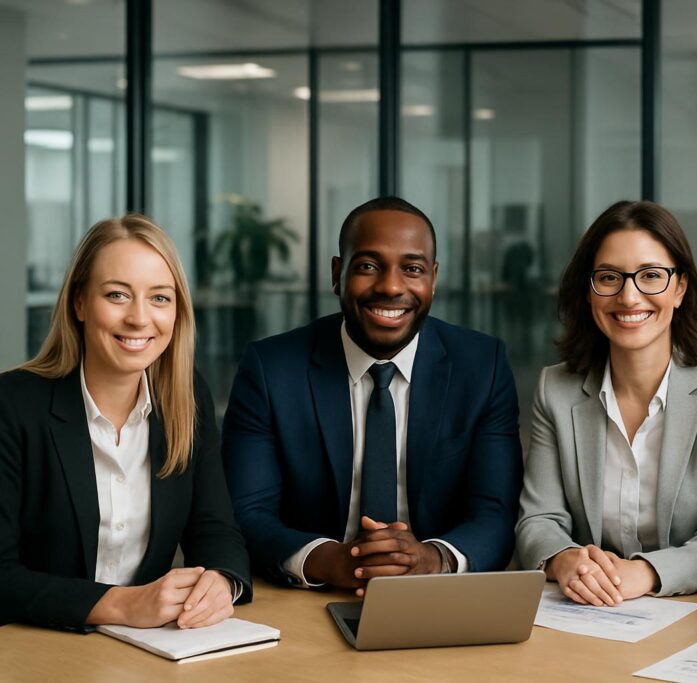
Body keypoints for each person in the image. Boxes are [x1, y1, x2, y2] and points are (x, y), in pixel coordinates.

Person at [222, 197, 522, 592]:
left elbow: (496, 513)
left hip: (438, 596)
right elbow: (246, 512)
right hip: (308, 597)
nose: (391, 286)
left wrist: (434, 559)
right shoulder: (270, 368)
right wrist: (330, 560)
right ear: (337, 274)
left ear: (433, 278)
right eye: (367, 267)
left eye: (412, 269)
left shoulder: (483, 366)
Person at [0, 215, 251, 632]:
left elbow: (215, 528)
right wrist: (118, 606)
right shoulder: (12, 405)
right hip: (33, 649)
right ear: (79, 303)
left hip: (150, 650)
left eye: (159, 298)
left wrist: (221, 581)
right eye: (117, 295)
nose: (139, 318)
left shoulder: (187, 398)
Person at [516, 200, 697, 606]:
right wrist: (565, 560)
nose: (629, 297)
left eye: (651, 276)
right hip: (586, 615)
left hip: (692, 615)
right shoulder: (555, 388)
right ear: (589, 290)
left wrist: (646, 573)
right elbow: (539, 519)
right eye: (609, 277)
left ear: (681, 287)